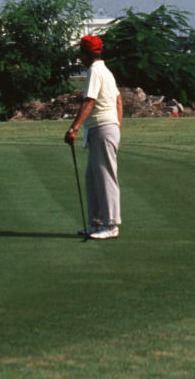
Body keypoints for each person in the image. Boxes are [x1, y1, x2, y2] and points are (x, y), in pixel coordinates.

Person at [64, 34, 122, 239]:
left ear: (88, 54)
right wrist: (117, 126)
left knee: (105, 176)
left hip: (103, 128)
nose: (79, 56)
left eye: (81, 52)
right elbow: (118, 100)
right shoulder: (105, 71)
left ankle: (111, 225)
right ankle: (97, 223)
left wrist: (74, 128)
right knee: (92, 177)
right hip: (104, 128)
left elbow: (89, 101)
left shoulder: (95, 72)